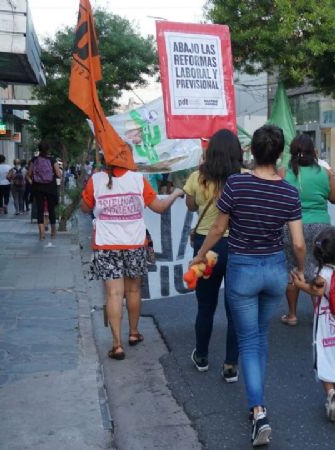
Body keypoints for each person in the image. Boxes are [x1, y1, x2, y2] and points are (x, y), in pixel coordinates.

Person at [191, 125, 306, 447]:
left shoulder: (238, 183)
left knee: (249, 342)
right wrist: (299, 269)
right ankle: (257, 404)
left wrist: (200, 254)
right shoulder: (288, 192)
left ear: (251, 152)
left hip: (244, 270)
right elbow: (297, 242)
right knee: (260, 339)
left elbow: (217, 227)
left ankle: (259, 411)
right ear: (279, 153)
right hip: (273, 272)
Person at [80, 163, 183, 361]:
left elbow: (85, 207)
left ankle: (117, 345)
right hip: (134, 243)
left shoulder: (97, 179)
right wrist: (176, 193)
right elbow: (160, 208)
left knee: (114, 293)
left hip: (106, 244)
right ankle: (134, 332)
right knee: (133, 291)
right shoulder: (138, 180)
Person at [183, 129, 240, 382]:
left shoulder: (198, 177)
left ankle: (202, 356)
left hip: (206, 247)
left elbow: (191, 205)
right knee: (235, 308)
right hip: (238, 246)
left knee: (205, 305)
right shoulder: (243, 177)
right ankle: (230, 364)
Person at [289, 228, 335, 422]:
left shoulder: (325, 273)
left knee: (325, 359)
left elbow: (317, 291)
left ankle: (331, 393)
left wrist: (300, 283)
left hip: (327, 326)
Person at [279, 134, 335, 326]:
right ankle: (320, 313)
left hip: (292, 227)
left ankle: (292, 314)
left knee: (293, 269)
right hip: (321, 228)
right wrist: (331, 179)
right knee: (320, 269)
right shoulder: (324, 173)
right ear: (314, 152)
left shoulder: (284, 173)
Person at [29, 142, 62, 240]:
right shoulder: (52, 160)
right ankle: (53, 232)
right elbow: (59, 174)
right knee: (51, 209)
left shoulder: (34, 160)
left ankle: (41, 234)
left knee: (40, 210)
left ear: (39, 149)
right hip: (50, 187)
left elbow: (29, 173)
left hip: (38, 187)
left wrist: (32, 181)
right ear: (48, 149)